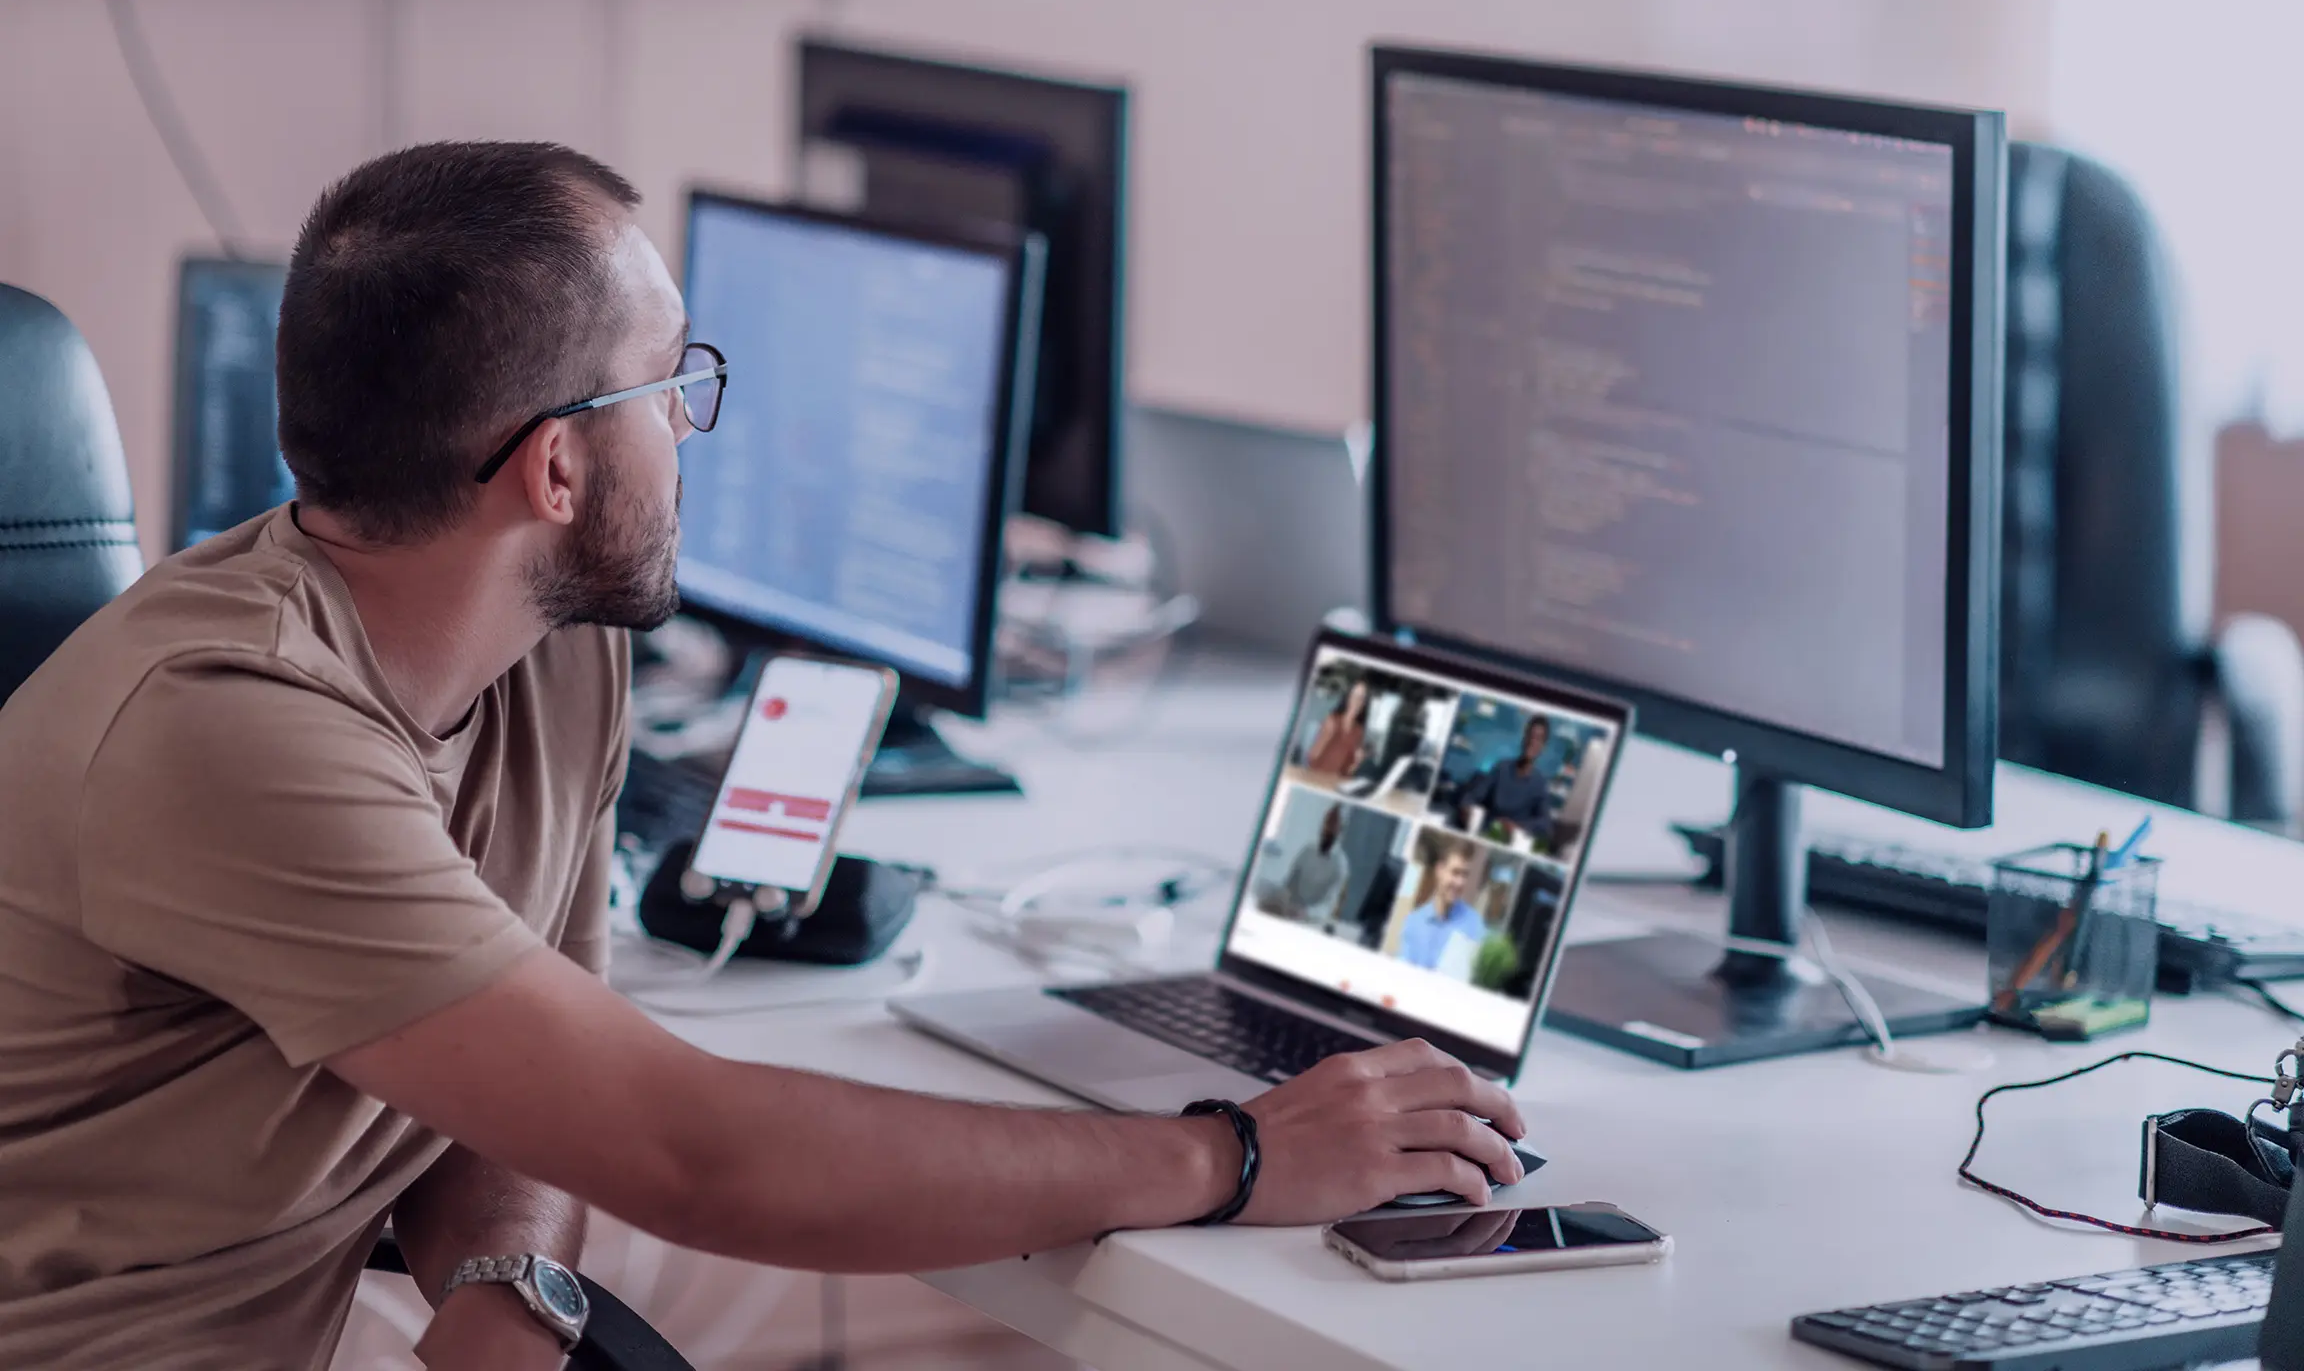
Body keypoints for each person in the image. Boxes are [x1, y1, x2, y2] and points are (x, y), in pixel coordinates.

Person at [0, 143, 1525, 1371]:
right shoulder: (229, 727)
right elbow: (692, 1152)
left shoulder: (547, 645)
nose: (694, 422)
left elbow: (533, 1081)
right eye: (676, 381)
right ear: (557, 465)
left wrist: (509, 1291)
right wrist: (1235, 1156)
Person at [1454, 714, 1566, 846]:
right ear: (1524, 738)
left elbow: (1546, 826)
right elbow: (1474, 795)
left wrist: (1516, 826)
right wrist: (1466, 807)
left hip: (1510, 843)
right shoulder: (1502, 768)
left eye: (1538, 739)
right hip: (1484, 834)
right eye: (1530, 735)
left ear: (1543, 746)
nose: (1532, 741)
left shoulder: (1539, 784)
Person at [1397, 841, 1491, 971]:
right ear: (1439, 870)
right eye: (1455, 873)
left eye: (1465, 875)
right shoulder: (1413, 923)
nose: (1460, 882)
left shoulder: (1475, 925)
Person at [1263, 804, 1352, 924]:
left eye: (1333, 822)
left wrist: (1306, 912)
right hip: (1288, 910)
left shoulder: (1340, 864)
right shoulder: (1308, 850)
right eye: (1327, 820)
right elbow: (1289, 883)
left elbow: (1328, 907)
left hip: (1310, 920)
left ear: (1341, 828)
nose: (1328, 826)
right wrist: (1282, 898)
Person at [1302, 677, 1369, 777]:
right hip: (1317, 778)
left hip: (1336, 785)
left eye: (1361, 698)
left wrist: (1357, 762)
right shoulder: (1332, 720)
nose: (1356, 701)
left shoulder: (1358, 731)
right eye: (1354, 696)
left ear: (1364, 703)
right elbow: (1311, 758)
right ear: (1347, 697)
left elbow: (1347, 772)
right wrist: (1326, 737)